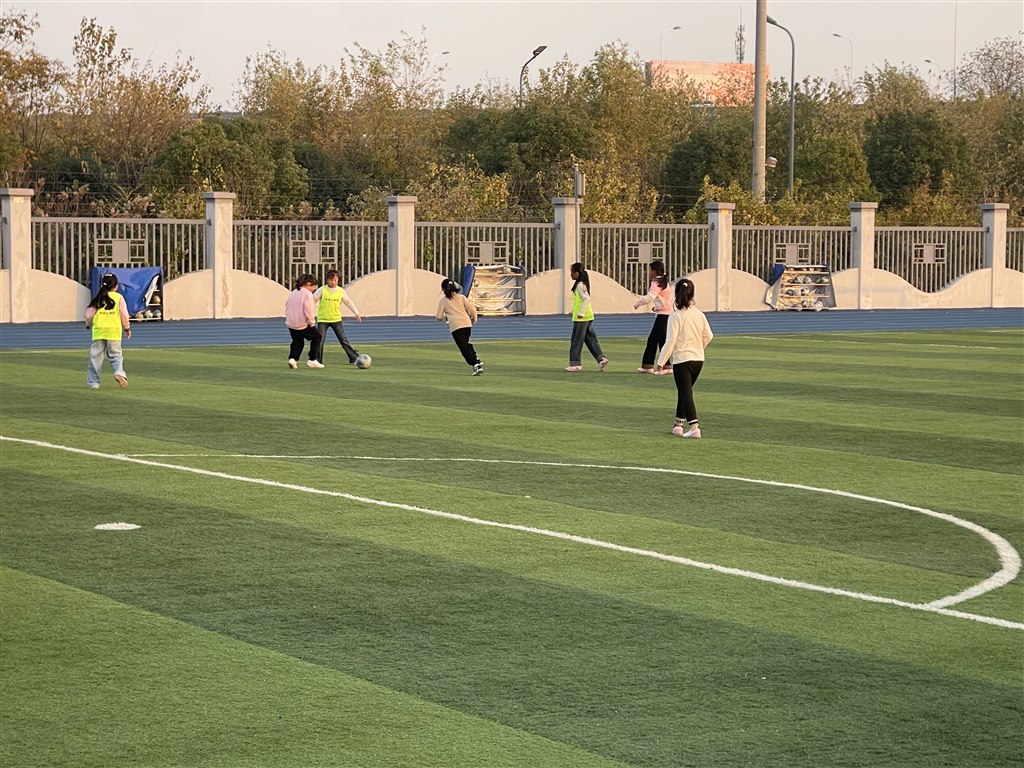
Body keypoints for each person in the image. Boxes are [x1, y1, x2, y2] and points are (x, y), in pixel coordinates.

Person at [657, 278, 713, 438]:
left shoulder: (675, 316)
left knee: (686, 392)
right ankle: (678, 425)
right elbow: (709, 335)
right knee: (685, 390)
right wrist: (698, 347)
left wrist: (661, 362)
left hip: (682, 360)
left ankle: (694, 427)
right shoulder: (699, 314)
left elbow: (671, 340)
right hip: (698, 360)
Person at [84, 273, 132, 389]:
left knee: (95, 358)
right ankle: (119, 372)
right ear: (116, 286)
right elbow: (124, 314)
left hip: (99, 331)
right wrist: (127, 328)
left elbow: (89, 315)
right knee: (116, 356)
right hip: (113, 331)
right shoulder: (119, 298)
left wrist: (88, 325)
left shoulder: (98, 297)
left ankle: (94, 383)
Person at [313, 269, 363, 365]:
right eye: (331, 280)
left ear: (338, 280)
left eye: (335, 280)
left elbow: (348, 302)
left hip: (336, 320)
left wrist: (356, 313)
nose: (333, 282)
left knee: (343, 339)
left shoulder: (340, 291)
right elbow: (312, 300)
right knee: (320, 340)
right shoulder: (322, 290)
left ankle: (353, 358)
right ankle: (318, 360)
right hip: (323, 320)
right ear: (327, 280)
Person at [565, 262, 608, 373]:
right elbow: (579, 301)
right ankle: (601, 359)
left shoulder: (580, 285)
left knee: (576, 340)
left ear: (577, 273)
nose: (571, 274)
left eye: (572, 272)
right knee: (590, 339)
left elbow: (586, 299)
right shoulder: (582, 284)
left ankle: (575, 363)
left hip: (582, 318)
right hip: (587, 316)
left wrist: (581, 313)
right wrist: (573, 312)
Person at [435, 278, 483, 375]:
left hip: (456, 327)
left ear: (443, 289)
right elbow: (472, 309)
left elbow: (439, 316)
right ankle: (476, 359)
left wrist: (446, 318)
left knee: (463, 348)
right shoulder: (461, 297)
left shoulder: (443, 301)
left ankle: (475, 363)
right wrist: (474, 318)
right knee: (466, 344)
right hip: (467, 324)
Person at [633, 259, 673, 374]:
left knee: (660, 340)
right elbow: (664, 299)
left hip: (663, 316)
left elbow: (650, 297)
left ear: (655, 271)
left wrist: (638, 303)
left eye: (651, 270)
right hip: (665, 314)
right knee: (654, 340)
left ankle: (665, 366)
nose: (649, 272)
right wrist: (656, 308)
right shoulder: (663, 281)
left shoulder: (656, 282)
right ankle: (648, 365)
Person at [284, 274, 323, 369]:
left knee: (297, 341)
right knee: (317, 337)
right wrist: (312, 322)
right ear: (308, 284)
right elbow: (309, 309)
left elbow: (287, 305)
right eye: (313, 286)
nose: (314, 289)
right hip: (302, 323)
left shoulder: (294, 292)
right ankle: (312, 359)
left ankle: (293, 359)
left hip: (291, 323)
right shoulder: (308, 294)